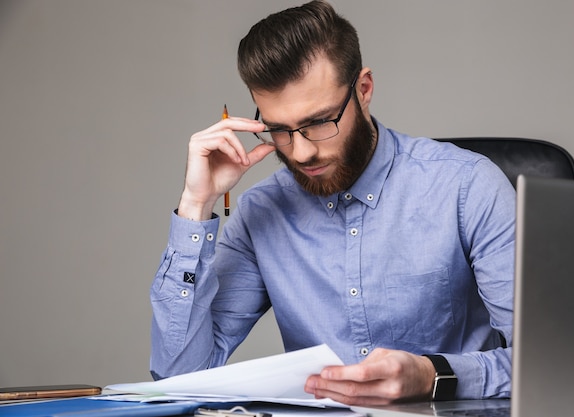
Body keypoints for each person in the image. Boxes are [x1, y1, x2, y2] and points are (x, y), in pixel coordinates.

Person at [150, 0, 515, 406]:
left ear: (364, 89)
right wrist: (195, 205)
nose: (302, 152)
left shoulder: (467, 188)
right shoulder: (261, 214)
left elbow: (546, 363)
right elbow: (180, 378)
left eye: (319, 122)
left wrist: (435, 374)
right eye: (279, 130)